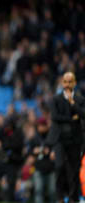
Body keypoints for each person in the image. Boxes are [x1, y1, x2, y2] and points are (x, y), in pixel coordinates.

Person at [46, 72, 85, 203]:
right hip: (60, 140)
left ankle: (73, 199)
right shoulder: (55, 99)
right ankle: (60, 197)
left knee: (74, 170)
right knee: (59, 166)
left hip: (75, 139)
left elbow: (83, 115)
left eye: (70, 81)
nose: (67, 85)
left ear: (74, 83)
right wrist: (71, 119)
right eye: (65, 81)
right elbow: (55, 117)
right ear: (62, 83)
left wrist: (72, 103)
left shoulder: (80, 100)